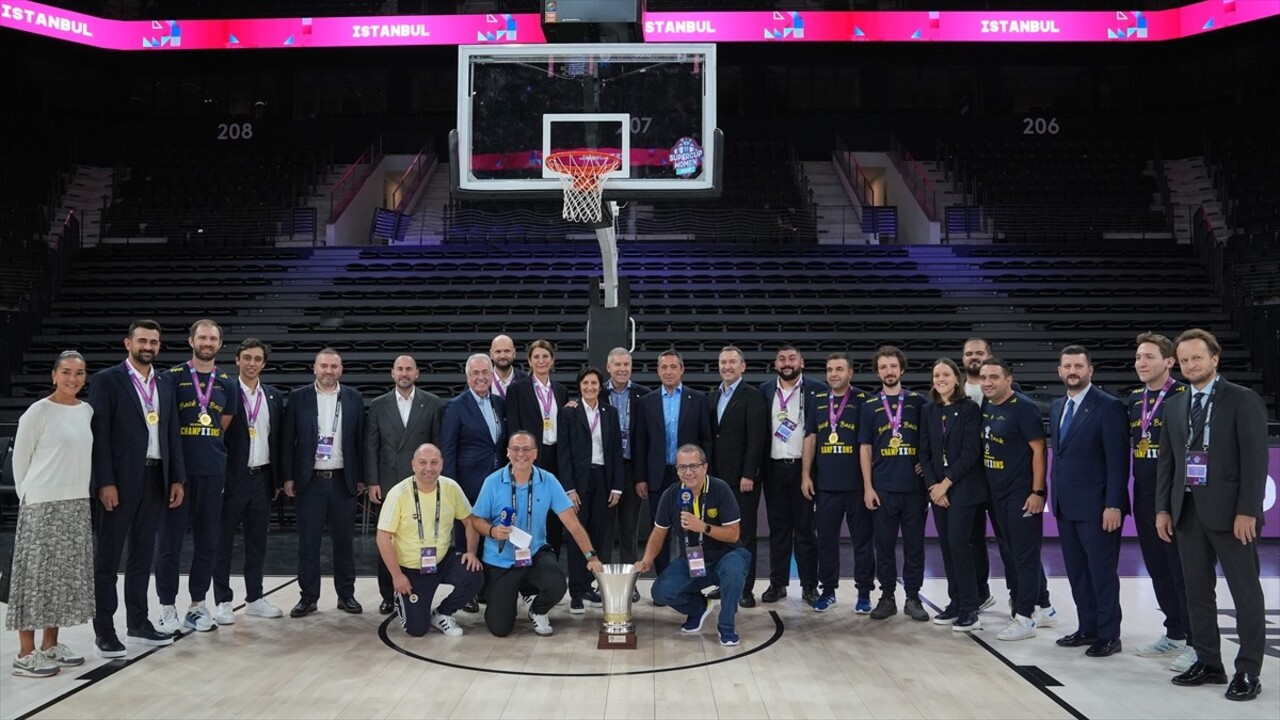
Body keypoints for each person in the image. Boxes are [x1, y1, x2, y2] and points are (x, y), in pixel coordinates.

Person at [1156, 328, 1267, 702]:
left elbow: (1256, 460)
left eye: (1197, 358)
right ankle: (1209, 661)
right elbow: (1167, 465)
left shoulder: (1241, 399)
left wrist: (1248, 510)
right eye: (1184, 360)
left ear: (1214, 359)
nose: (1190, 365)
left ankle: (1248, 670)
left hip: (1233, 515)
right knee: (1197, 593)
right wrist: (1163, 509)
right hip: (1186, 513)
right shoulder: (1174, 405)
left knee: (1245, 593)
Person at [88, 319, 186, 658]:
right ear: (127, 343)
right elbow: (99, 437)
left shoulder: (166, 382)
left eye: (154, 342)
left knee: (143, 556)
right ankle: (104, 630)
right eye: (142, 340)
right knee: (108, 559)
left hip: (156, 477)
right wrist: (105, 481)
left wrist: (177, 477)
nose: (148, 346)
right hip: (119, 481)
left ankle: (138, 623)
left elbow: (172, 432)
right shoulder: (106, 380)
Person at [7, 351, 95, 677]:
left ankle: (50, 644)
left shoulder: (86, 411)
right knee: (34, 580)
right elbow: (21, 464)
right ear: (54, 375)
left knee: (59, 580)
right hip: (41, 505)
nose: (73, 379)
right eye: (67, 372)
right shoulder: (37, 411)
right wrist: (29, 499)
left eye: (79, 373)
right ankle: (25, 653)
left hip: (76, 502)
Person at [468, 432, 604, 637]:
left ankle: (537, 609)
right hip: (500, 561)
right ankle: (515, 593)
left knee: (556, 584)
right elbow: (475, 520)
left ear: (535, 454)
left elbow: (573, 525)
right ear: (507, 453)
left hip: (533, 554)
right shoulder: (492, 482)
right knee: (499, 628)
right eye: (515, 449)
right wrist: (492, 531)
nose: (520, 454)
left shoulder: (547, 480)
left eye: (526, 449)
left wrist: (591, 556)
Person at [155, 319, 240, 635]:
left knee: (208, 543)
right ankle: (166, 608)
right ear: (191, 340)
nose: (207, 342)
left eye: (213, 338)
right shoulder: (171, 378)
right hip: (178, 475)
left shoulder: (228, 384)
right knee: (169, 544)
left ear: (220, 344)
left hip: (212, 471)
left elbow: (223, 423)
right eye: (202, 337)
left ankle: (197, 606)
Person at [1049, 345, 1129, 658]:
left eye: (1078, 366)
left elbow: (1118, 461)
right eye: (1067, 365)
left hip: (1098, 509)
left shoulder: (1108, 407)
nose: (1072, 371)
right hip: (1066, 506)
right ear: (1059, 371)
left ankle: (1109, 634)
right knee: (1078, 573)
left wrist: (1114, 504)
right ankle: (1088, 627)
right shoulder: (1057, 406)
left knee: (1102, 572)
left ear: (1090, 370)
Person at [635, 444, 750, 647]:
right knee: (661, 591)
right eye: (682, 467)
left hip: (726, 555)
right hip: (694, 558)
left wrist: (703, 527)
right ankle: (698, 608)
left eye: (694, 466)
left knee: (733, 570)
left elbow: (734, 535)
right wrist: (647, 559)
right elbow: (659, 531)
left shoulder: (720, 489)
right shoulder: (671, 495)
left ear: (705, 467)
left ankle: (726, 626)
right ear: (676, 469)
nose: (688, 472)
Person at [281, 348, 365, 618]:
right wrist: (288, 477)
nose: (329, 371)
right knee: (308, 544)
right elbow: (287, 441)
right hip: (310, 481)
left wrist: (360, 477)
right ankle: (308, 597)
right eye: (324, 366)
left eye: (334, 367)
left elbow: (360, 442)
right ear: (314, 368)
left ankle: (346, 595)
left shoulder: (353, 398)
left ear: (341, 370)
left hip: (343, 480)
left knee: (344, 543)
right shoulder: (298, 398)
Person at [978, 358, 1057, 641]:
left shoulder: (1024, 408)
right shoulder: (988, 405)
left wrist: (1037, 492)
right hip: (996, 493)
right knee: (1012, 553)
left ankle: (1025, 617)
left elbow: (1039, 452)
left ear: (1008, 379)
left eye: (994, 377)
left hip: (1021, 494)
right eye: (984, 377)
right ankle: (1045, 607)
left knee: (1023, 557)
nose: (988, 382)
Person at [1128, 332, 1194, 670]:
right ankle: (1174, 632)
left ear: (1169, 362)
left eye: (1149, 356)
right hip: (1144, 494)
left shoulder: (1183, 396)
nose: (1141, 362)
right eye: (1139, 356)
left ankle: (1197, 641)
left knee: (1182, 569)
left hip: (1176, 497)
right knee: (1157, 568)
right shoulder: (1134, 398)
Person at [365, 354, 446, 615]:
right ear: (392, 373)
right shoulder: (379, 405)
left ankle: (420, 589)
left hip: (424, 483)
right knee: (387, 540)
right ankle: (388, 595)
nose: (404, 373)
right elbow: (371, 445)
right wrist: (373, 481)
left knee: (421, 538)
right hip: (388, 482)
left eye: (409, 369)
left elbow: (436, 445)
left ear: (417, 373)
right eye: (399, 369)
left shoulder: (432, 403)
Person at [375, 444, 484, 638]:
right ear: (413, 465)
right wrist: (397, 575)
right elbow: (383, 537)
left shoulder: (450, 487)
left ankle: (443, 613)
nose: (428, 468)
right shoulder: (398, 493)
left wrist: (471, 552)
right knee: (417, 630)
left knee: (473, 573)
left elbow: (470, 521)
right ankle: (401, 597)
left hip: (441, 560)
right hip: (410, 568)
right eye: (422, 462)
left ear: (442, 464)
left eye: (434, 462)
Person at [212, 338, 285, 625]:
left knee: (258, 543)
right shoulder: (226, 390)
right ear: (237, 361)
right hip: (233, 478)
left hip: (262, 477)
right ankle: (223, 601)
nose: (252, 363)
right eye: (247, 358)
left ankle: (254, 597)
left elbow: (276, 440)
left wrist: (278, 479)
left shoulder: (273, 396)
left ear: (264, 363)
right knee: (223, 543)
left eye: (257, 359)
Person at [801, 352, 874, 614]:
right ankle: (828, 590)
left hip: (856, 487)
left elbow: (869, 444)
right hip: (826, 486)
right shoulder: (818, 400)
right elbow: (810, 438)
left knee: (863, 542)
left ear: (850, 372)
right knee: (826, 542)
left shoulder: (865, 400)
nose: (833, 374)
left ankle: (864, 592)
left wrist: (869, 485)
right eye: (830, 369)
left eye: (839, 369)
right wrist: (805, 475)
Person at [859, 345, 928, 622]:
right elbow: (865, 448)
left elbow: (931, 439)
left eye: (893, 366)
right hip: (883, 488)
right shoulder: (869, 406)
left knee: (915, 546)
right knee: (884, 546)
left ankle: (913, 596)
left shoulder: (918, 402)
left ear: (902, 369)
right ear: (878, 372)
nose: (889, 371)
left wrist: (928, 461)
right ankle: (887, 596)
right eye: (883, 367)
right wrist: (868, 487)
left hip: (914, 489)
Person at [633, 349, 713, 576]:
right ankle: (665, 579)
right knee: (661, 530)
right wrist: (640, 477)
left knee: (692, 528)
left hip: (690, 475)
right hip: (658, 475)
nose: (668, 371)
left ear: (682, 369)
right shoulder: (646, 402)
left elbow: (706, 438)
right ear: (658, 371)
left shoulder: (697, 399)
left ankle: (695, 577)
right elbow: (640, 443)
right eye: (664, 367)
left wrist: (704, 474)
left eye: (673, 367)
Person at [919, 358, 985, 631]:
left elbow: (972, 451)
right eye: (936, 375)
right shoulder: (928, 410)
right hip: (938, 490)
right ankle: (955, 601)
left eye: (946, 374)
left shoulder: (969, 408)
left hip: (964, 488)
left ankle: (970, 607)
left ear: (956, 378)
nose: (941, 379)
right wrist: (934, 486)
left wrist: (946, 483)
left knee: (960, 545)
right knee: (946, 547)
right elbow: (924, 451)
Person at [759, 344, 826, 606]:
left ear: (802, 362)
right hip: (774, 467)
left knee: (806, 530)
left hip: (804, 468)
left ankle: (810, 585)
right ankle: (778, 583)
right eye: (782, 359)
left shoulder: (817, 390)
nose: (787, 363)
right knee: (778, 530)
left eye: (792, 358)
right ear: (776, 364)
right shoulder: (764, 391)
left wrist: (809, 472)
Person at [441, 353, 508, 614]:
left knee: (494, 537)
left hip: (497, 484)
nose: (480, 378)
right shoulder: (455, 406)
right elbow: (447, 449)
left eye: (485, 373)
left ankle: (491, 589)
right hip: (467, 484)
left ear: (492, 375)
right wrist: (452, 488)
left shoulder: (500, 404)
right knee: (467, 540)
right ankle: (467, 590)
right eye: (475, 374)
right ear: (467, 377)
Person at [707, 346, 769, 608]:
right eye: (723, 362)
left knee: (743, 535)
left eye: (732, 362)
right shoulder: (711, 397)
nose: (727, 366)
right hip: (717, 479)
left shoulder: (752, 396)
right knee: (719, 535)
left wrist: (748, 473)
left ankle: (745, 588)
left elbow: (757, 439)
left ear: (743, 367)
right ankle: (725, 584)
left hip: (742, 480)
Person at [558, 367, 624, 613]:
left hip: (604, 479)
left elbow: (616, 451)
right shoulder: (568, 413)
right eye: (585, 383)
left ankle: (591, 586)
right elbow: (563, 451)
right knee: (578, 536)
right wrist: (569, 488)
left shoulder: (610, 412)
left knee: (600, 535)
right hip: (578, 481)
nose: (590, 388)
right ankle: (576, 591)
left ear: (600, 386)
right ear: (580, 386)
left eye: (594, 383)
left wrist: (617, 485)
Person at [504, 340, 570, 553]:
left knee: (554, 511)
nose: (541, 361)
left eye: (545, 356)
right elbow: (514, 427)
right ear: (529, 361)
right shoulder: (516, 390)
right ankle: (525, 559)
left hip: (556, 456)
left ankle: (551, 556)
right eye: (536, 357)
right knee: (529, 508)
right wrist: (521, 455)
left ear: (552, 360)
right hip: (530, 455)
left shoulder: (560, 391)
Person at [604, 348, 649, 600]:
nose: (622, 369)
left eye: (626, 364)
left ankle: (629, 584)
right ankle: (604, 582)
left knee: (630, 530)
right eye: (617, 364)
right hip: (605, 471)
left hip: (632, 470)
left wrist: (642, 476)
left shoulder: (643, 395)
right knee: (605, 530)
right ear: (608, 367)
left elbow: (645, 440)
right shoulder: (596, 392)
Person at [959, 336, 1000, 610]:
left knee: (1011, 543)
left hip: (999, 478)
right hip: (968, 480)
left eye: (979, 353)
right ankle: (980, 592)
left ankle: (1033, 599)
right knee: (972, 540)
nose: (974, 357)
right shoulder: (954, 390)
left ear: (989, 356)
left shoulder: (1007, 389)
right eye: (969, 354)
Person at [489, 334, 525, 400]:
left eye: (507, 351)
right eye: (498, 352)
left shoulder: (526, 380)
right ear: (491, 354)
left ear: (514, 353)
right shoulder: (482, 380)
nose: (502, 356)